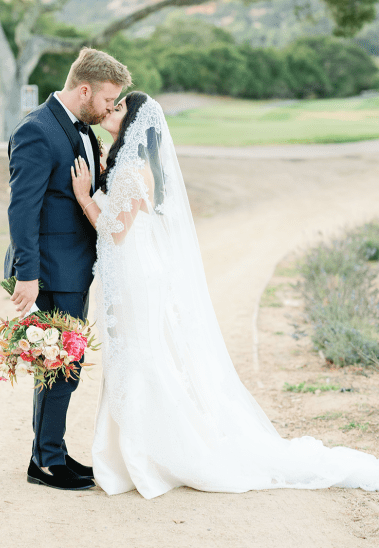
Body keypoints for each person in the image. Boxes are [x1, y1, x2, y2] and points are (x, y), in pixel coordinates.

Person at [71, 92, 379, 499]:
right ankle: (133, 453)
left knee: (141, 356)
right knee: (140, 354)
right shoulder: (130, 165)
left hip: (134, 273)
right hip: (134, 269)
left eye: (120, 107)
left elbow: (114, 231)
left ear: (134, 125)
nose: (110, 110)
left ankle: (148, 456)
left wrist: (83, 196)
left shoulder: (133, 171)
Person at [4, 46, 132, 491]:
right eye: (107, 100)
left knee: (65, 365)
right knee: (58, 365)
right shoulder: (37, 131)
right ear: (84, 90)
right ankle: (45, 462)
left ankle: (51, 452)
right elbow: (22, 210)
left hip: (75, 268)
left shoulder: (81, 130)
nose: (110, 108)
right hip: (51, 271)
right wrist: (27, 273)